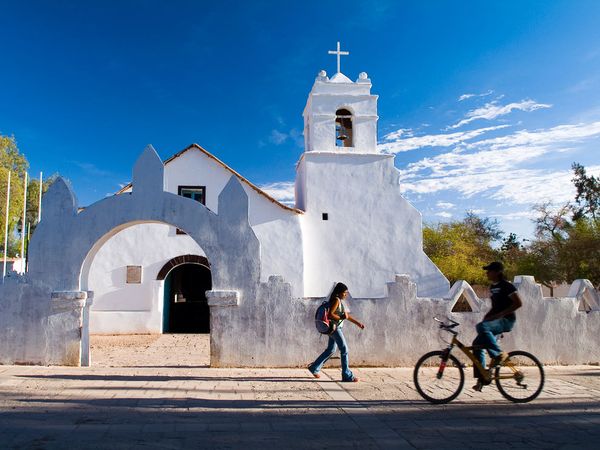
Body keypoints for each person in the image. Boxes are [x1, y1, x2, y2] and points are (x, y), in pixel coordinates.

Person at [473, 261, 523, 391]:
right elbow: (494, 307)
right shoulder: (493, 287)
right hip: (496, 321)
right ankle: (482, 377)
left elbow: (518, 303)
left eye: (489, 271)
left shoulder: (507, 286)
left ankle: (499, 355)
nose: (487, 273)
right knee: (476, 345)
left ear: (497, 272)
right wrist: (487, 317)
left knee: (482, 327)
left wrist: (500, 315)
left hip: (506, 320)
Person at [308, 282, 365, 382]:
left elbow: (346, 316)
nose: (346, 294)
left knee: (331, 350)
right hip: (335, 329)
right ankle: (347, 375)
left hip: (333, 328)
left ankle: (314, 367)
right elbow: (330, 315)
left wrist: (358, 323)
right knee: (344, 349)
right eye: (344, 292)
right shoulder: (336, 301)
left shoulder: (339, 301)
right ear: (339, 293)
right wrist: (341, 317)